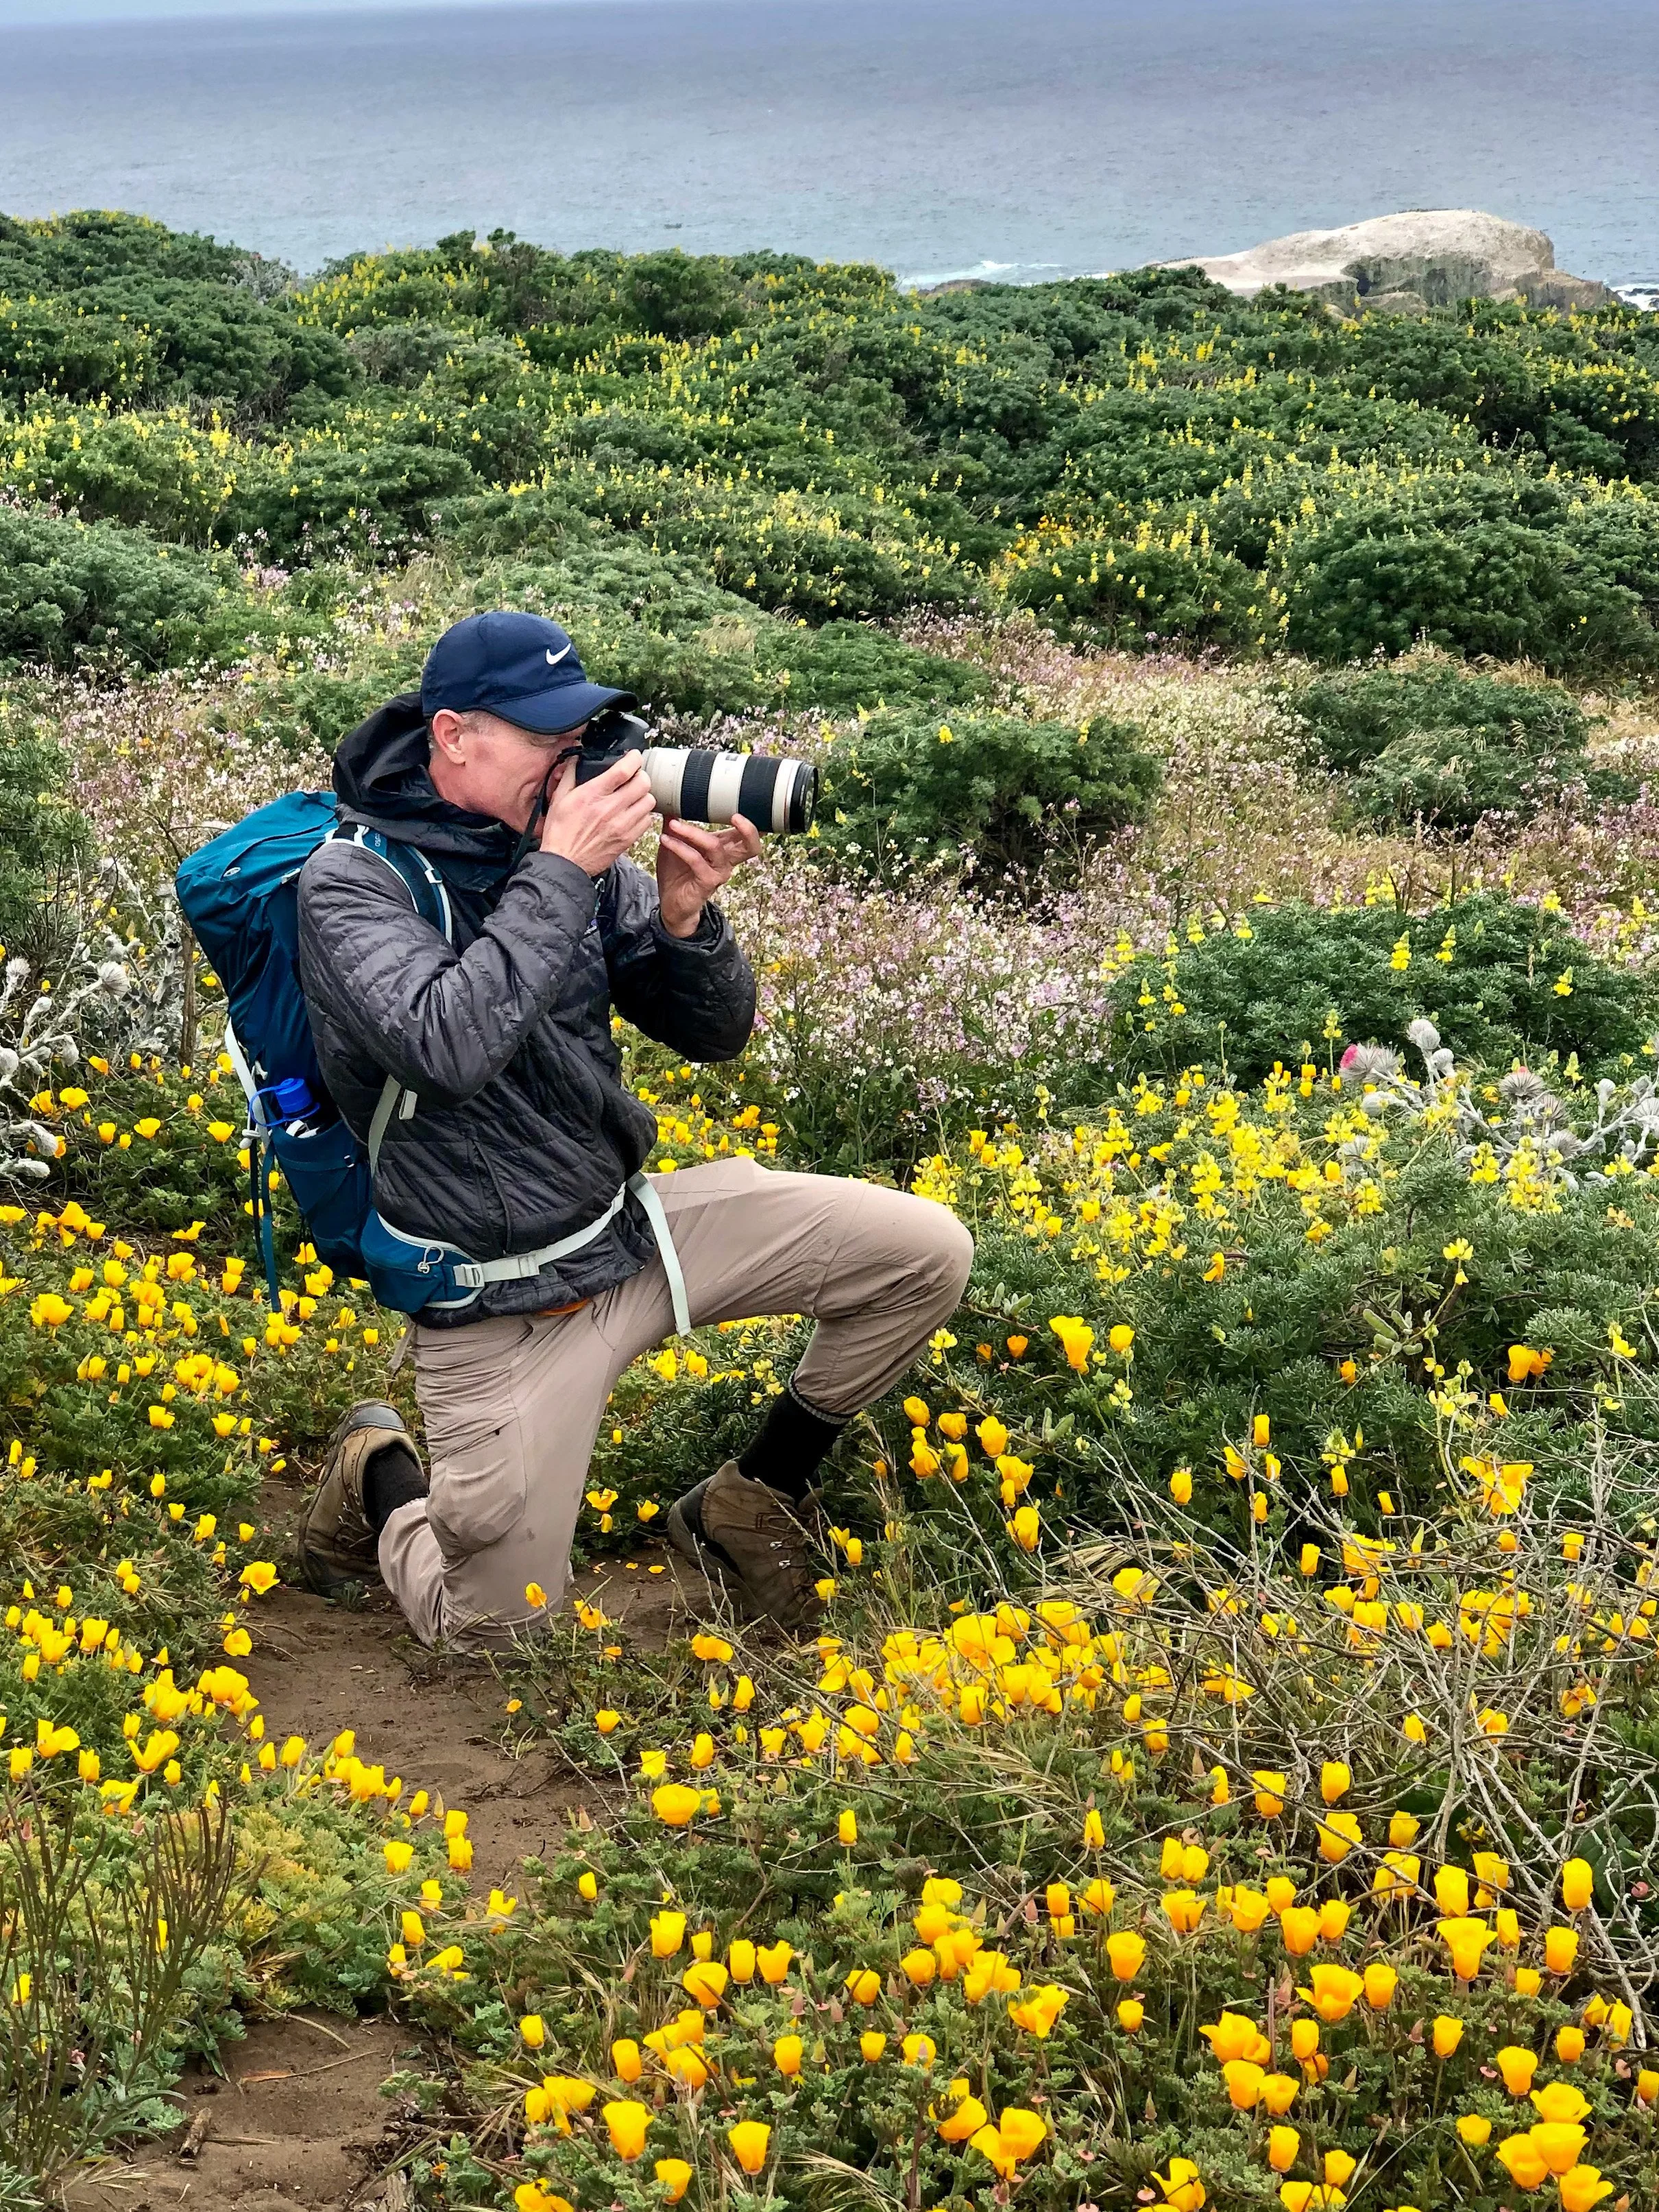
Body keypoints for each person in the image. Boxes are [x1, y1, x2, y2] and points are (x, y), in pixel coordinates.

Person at [293, 610, 973, 1648]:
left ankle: (753, 1495)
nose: (575, 762)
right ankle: (380, 1472)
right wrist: (561, 870)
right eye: (545, 739)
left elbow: (714, 1033)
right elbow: (446, 1045)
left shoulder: (568, 853)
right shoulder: (351, 883)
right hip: (496, 1305)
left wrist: (688, 917)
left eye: (581, 737)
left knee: (926, 1255)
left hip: (630, 1236)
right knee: (496, 1635)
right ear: (453, 735)